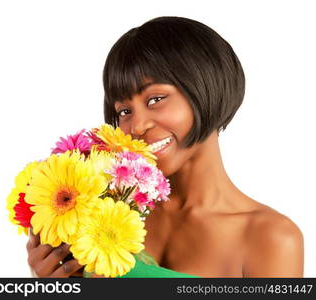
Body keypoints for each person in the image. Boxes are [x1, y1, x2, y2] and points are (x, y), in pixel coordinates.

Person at [27, 16, 304, 278]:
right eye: (124, 111)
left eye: (155, 99)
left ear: (206, 88)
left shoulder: (271, 238)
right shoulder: (97, 212)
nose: (136, 126)